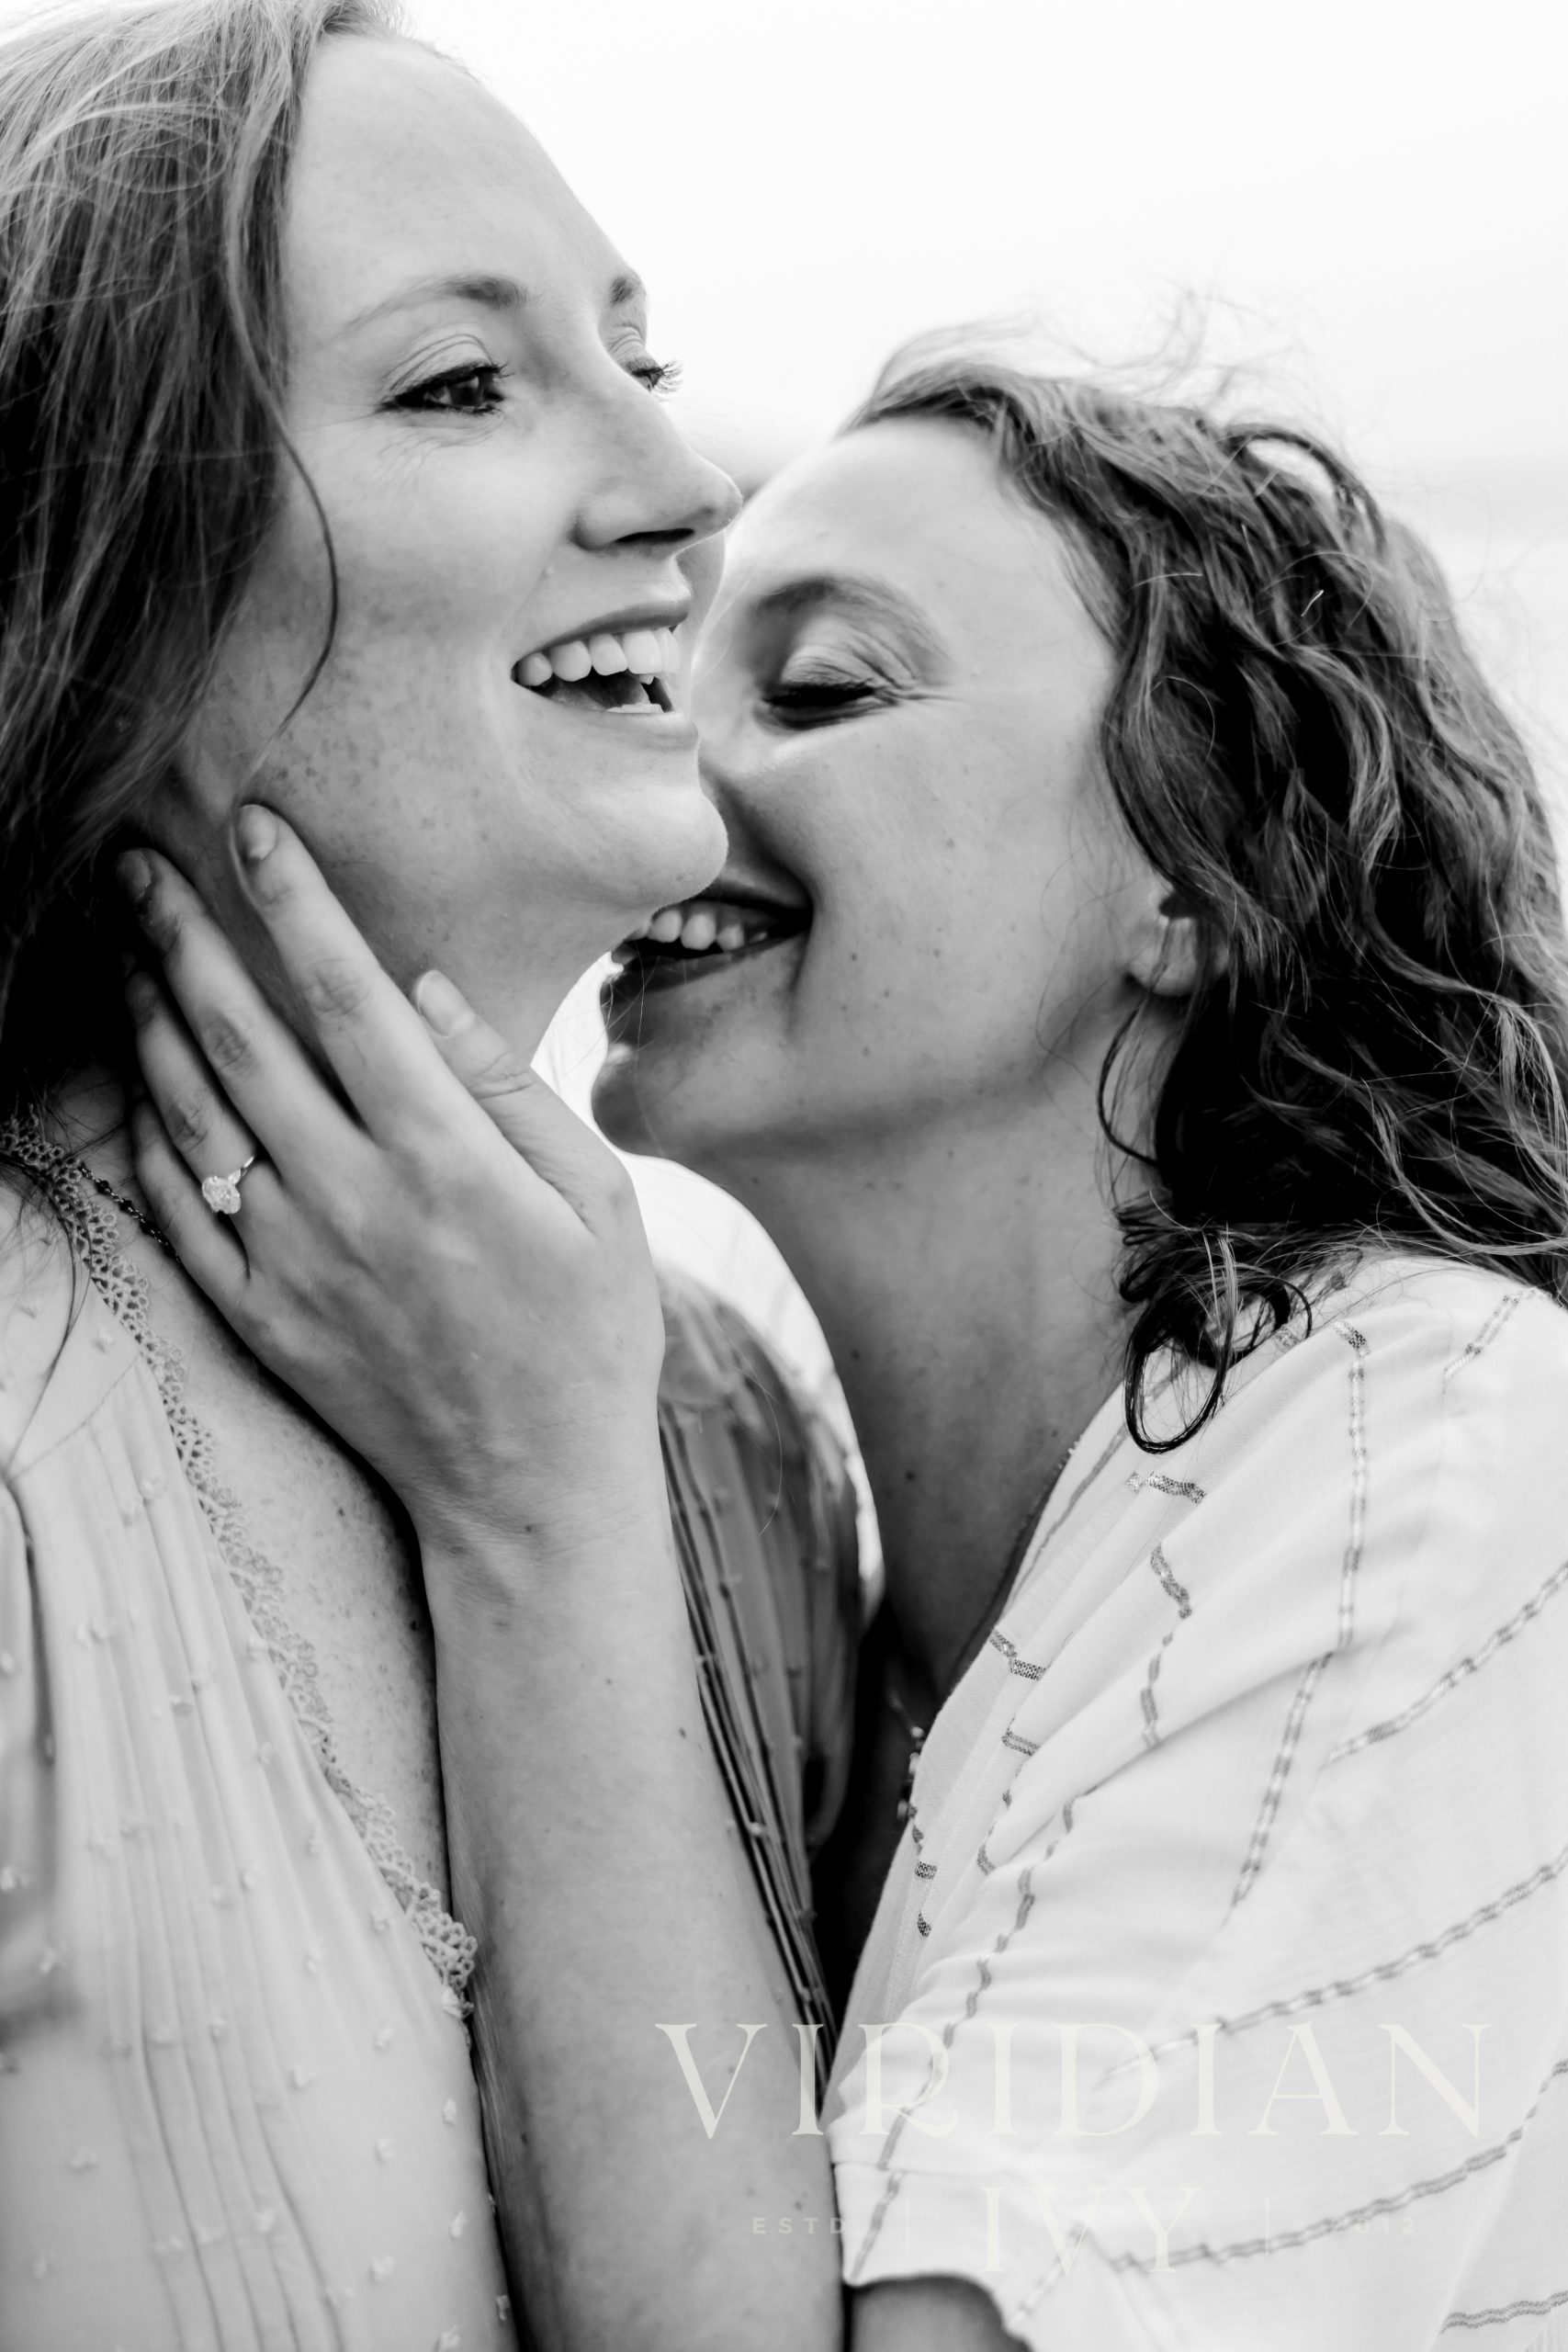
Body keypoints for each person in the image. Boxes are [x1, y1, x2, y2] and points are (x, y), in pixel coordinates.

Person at [128, 348, 1568, 2348]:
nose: (654, 797)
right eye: (661, 678)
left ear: (1201, 874)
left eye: (816, 691)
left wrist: (535, 1504)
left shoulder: (1426, 1446)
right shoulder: (802, 1562)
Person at [0, 2, 860, 2343]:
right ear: (92, 569)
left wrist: (555, 1493)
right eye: (464, 383)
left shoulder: (725, 1424)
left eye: (638, 360)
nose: (680, 483)